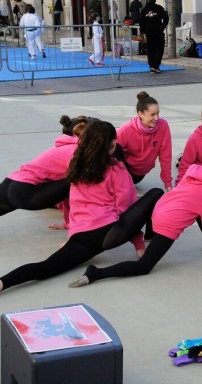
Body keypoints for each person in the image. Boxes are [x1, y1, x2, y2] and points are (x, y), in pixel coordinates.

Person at [0, 120, 164, 293]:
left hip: (81, 238)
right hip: (109, 234)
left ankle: (3, 282)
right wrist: (138, 241)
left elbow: (72, 203)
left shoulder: (75, 168)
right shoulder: (117, 169)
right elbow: (127, 207)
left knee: (45, 268)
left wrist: (70, 229)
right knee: (155, 193)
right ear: (113, 144)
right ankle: (151, 236)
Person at [68, 143, 202, 288]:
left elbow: (197, 208)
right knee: (144, 266)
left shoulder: (194, 169)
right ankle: (96, 273)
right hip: (168, 222)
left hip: (160, 209)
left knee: (201, 210)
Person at [0, 116, 89, 220]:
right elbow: (76, 190)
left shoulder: (60, 147)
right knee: (83, 176)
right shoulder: (77, 151)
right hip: (27, 191)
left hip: (12, 181)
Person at [114, 91, 173, 191]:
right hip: (124, 171)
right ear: (140, 114)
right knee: (113, 147)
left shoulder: (163, 126)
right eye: (152, 114)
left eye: (158, 113)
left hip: (138, 175)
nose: (157, 118)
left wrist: (168, 184)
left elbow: (166, 157)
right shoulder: (126, 129)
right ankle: (113, 183)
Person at [140, 0, 169, 73]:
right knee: (159, 48)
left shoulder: (144, 10)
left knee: (150, 49)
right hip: (158, 31)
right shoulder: (159, 8)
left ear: (148, 0)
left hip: (148, 33)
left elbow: (141, 22)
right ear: (155, 0)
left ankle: (151, 66)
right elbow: (166, 17)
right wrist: (162, 26)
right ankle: (155, 66)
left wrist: (143, 32)